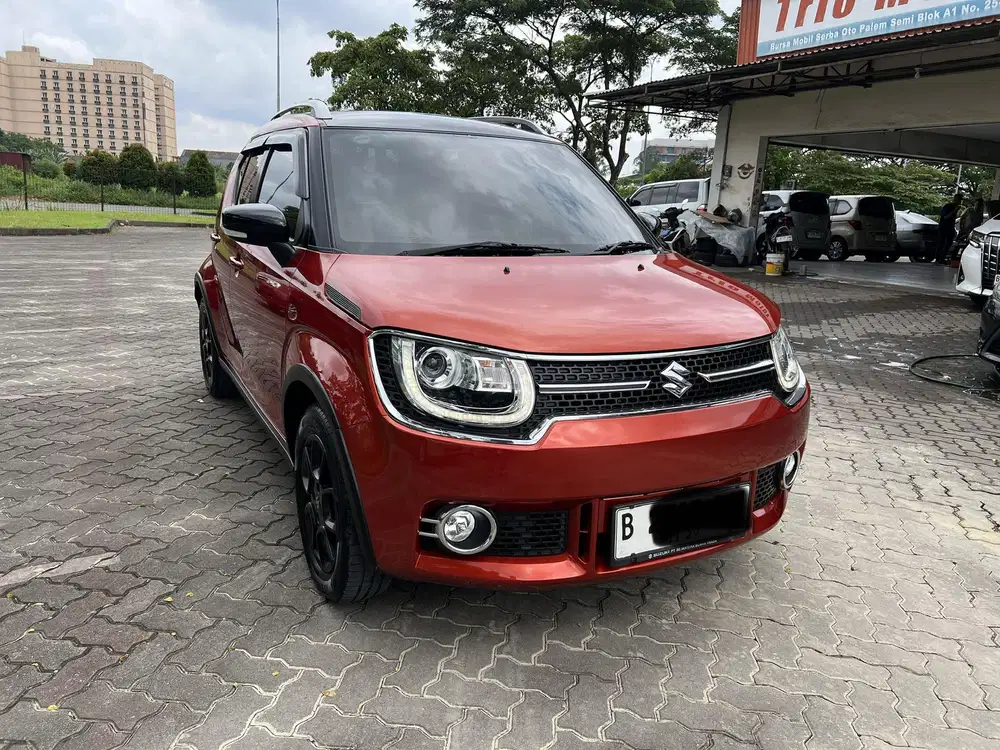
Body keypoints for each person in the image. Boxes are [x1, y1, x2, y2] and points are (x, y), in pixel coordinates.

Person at [936, 193, 962, 264]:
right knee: (941, 243)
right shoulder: (948, 206)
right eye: (957, 200)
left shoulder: (955, 207)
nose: (958, 202)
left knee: (948, 243)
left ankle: (942, 258)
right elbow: (945, 217)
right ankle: (938, 259)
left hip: (950, 227)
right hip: (943, 227)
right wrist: (954, 211)